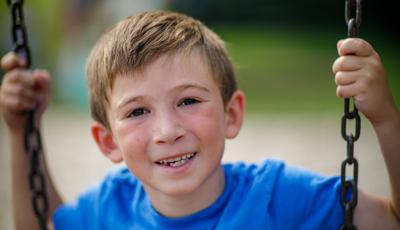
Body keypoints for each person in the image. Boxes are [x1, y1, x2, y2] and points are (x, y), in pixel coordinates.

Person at [1, 10, 399, 229]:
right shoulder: (111, 208)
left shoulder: (276, 196)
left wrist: (385, 119)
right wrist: (23, 133)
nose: (168, 131)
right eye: (138, 111)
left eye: (188, 101)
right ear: (108, 142)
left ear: (232, 114)